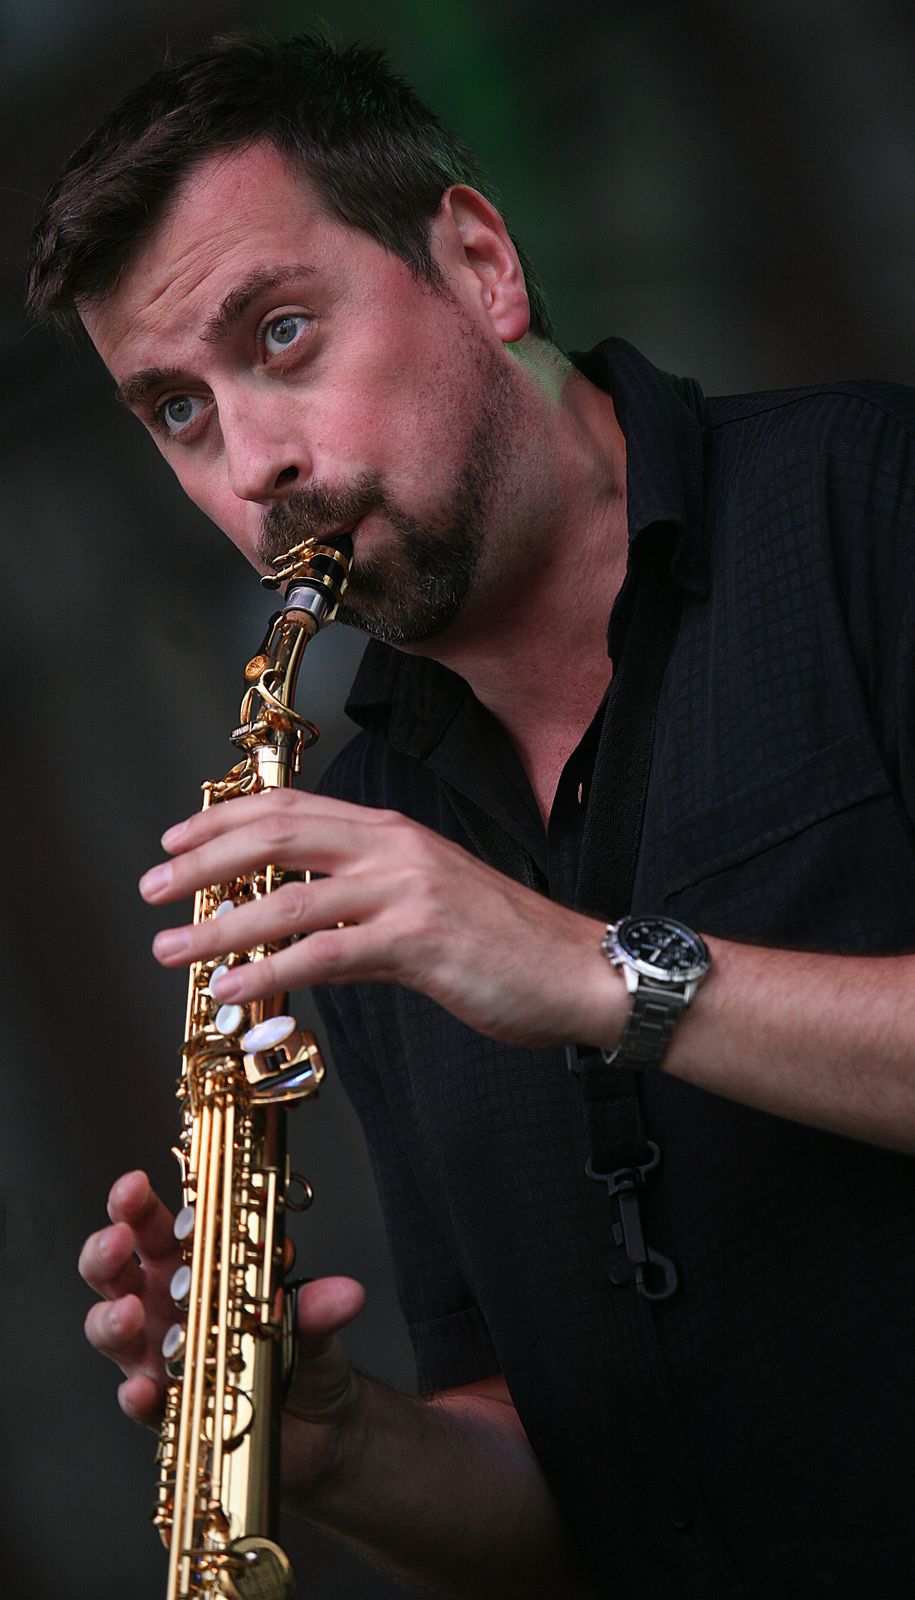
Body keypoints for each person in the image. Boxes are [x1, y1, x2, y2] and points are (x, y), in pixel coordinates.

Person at [27, 32, 915, 1600]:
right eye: (177, 411)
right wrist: (344, 1449)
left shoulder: (875, 503)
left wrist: (581, 968)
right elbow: (563, 1491)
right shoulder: (360, 841)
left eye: (282, 332)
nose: (255, 468)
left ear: (482, 266)